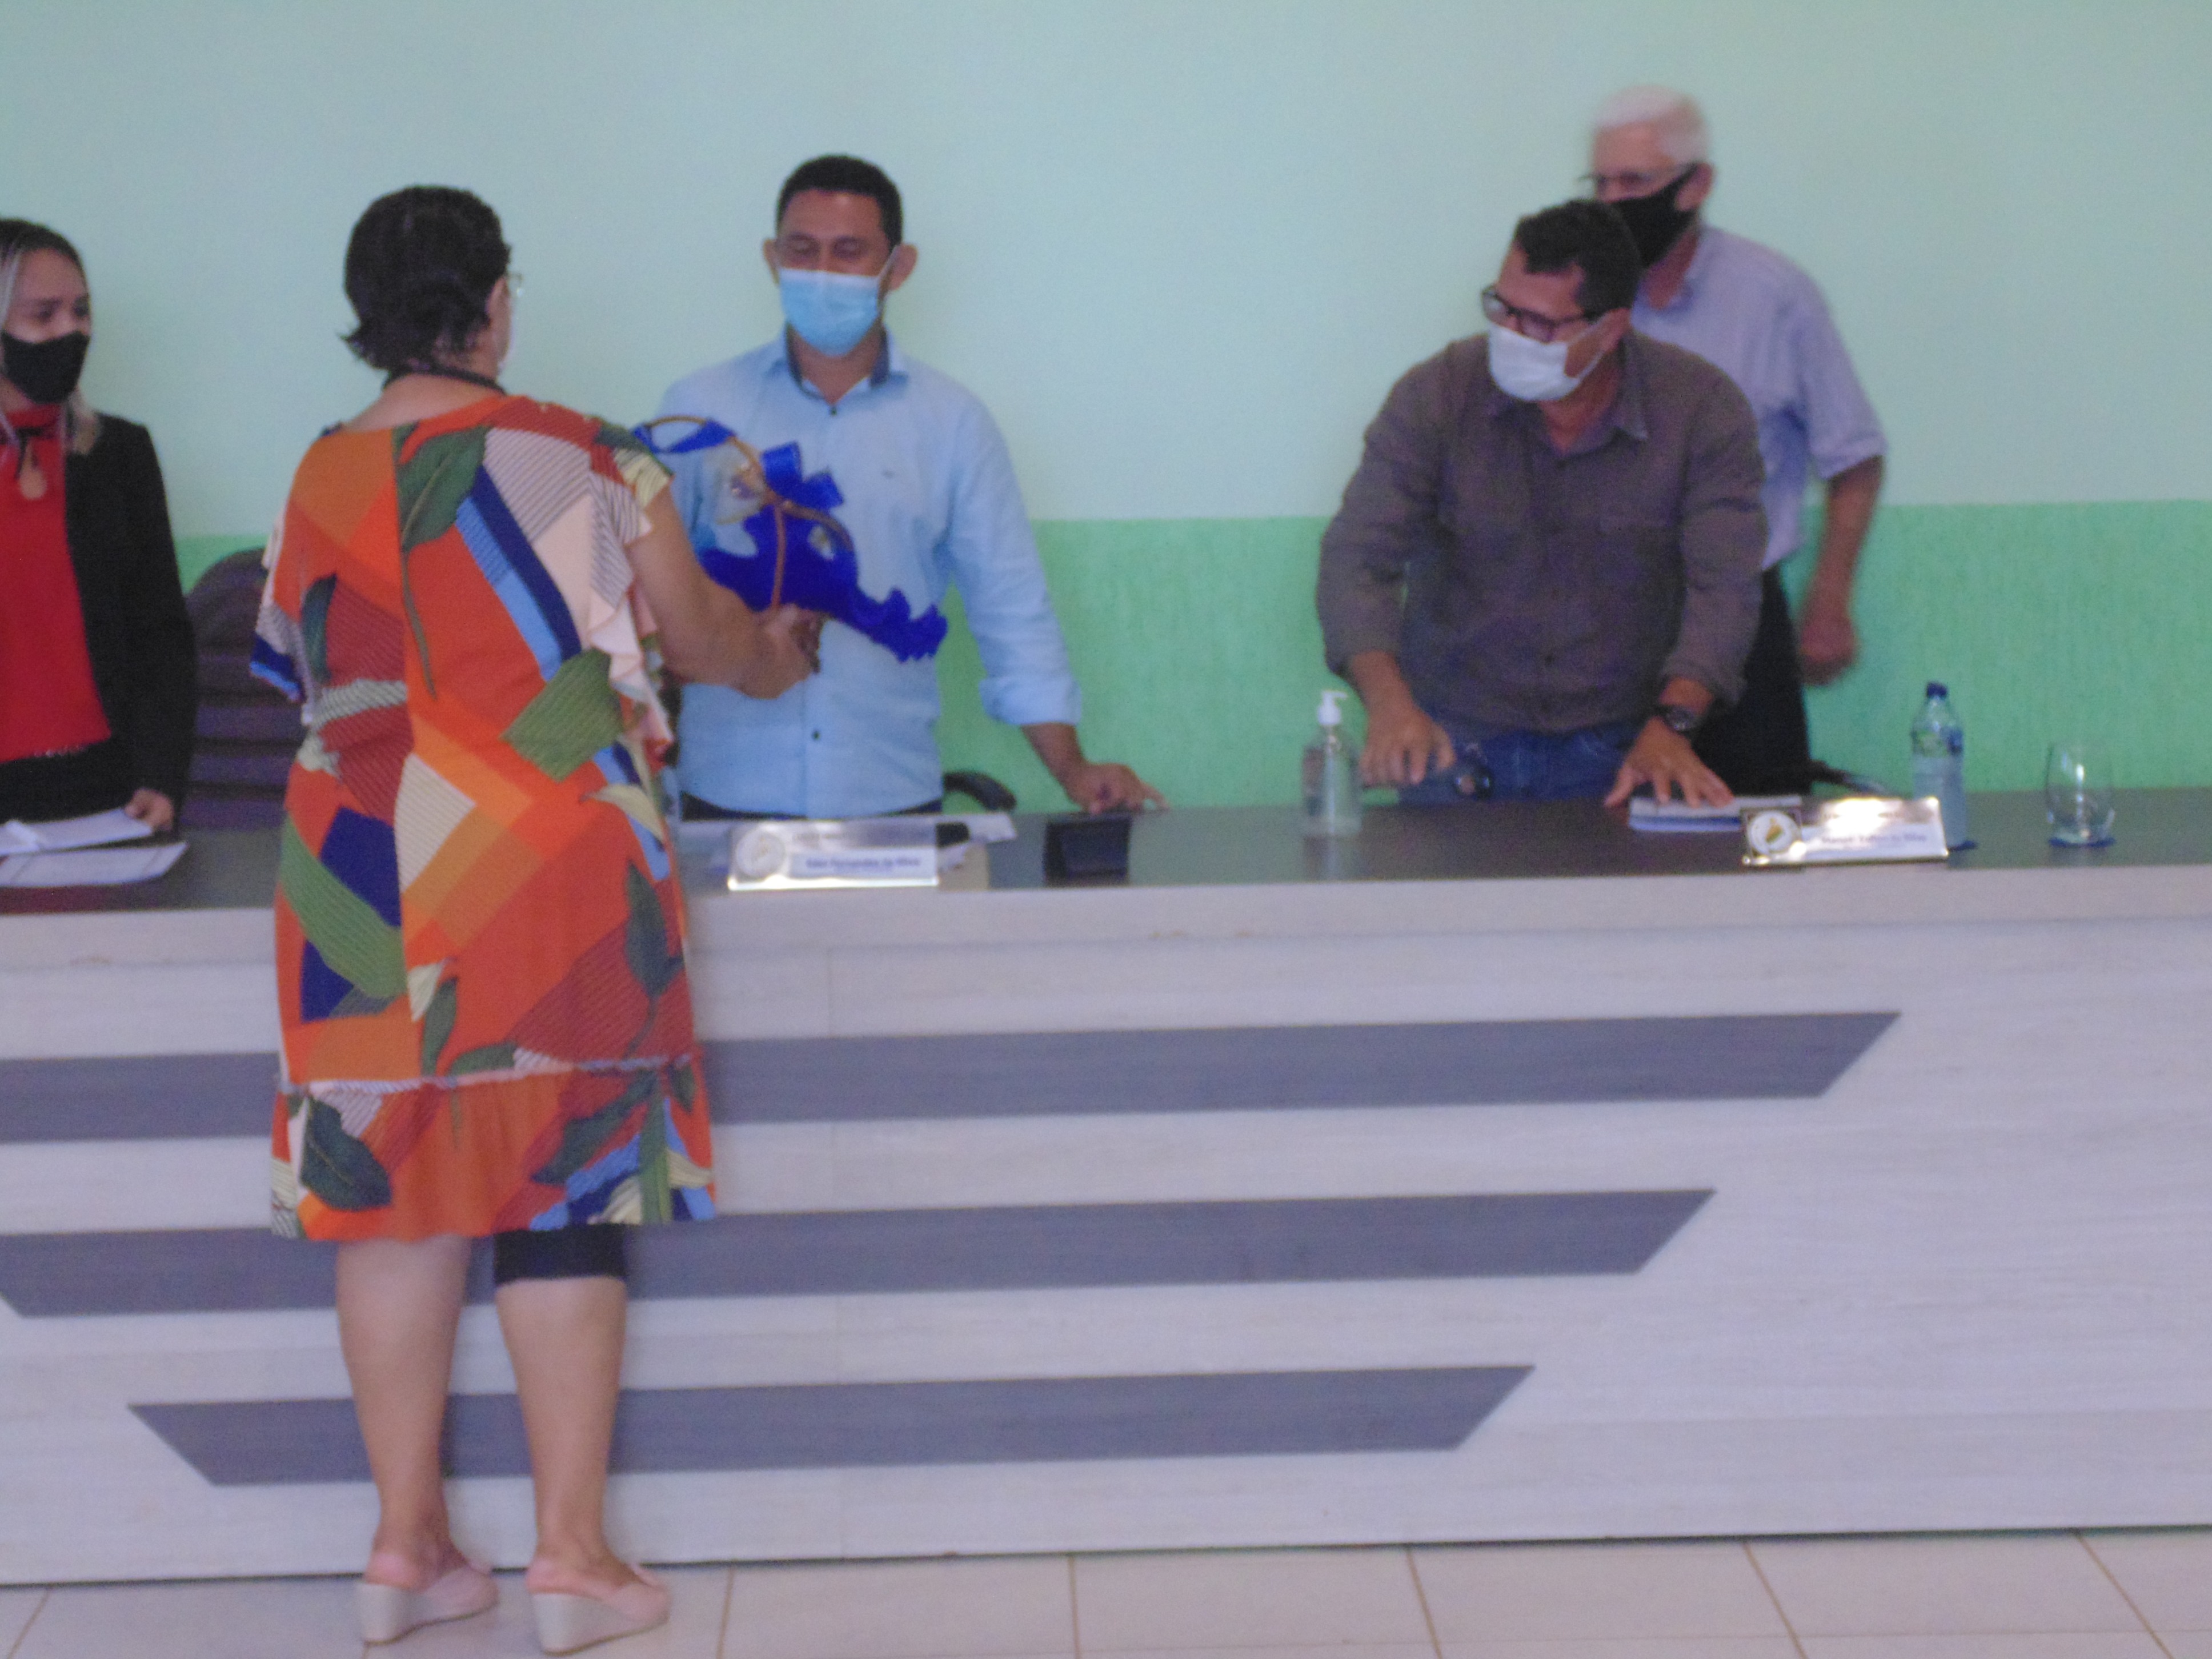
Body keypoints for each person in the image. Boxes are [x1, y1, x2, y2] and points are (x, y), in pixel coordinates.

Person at [253, 187, 815, 1654]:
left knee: (387, 1187)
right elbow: (701, 638)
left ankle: (404, 1550)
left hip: (357, 865)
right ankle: (572, 1560)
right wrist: (770, 655)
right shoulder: (584, 452)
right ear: (495, 303)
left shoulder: (316, 472)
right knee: (565, 1183)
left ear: (367, 316)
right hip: (543, 856)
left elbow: (297, 665)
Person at [651, 154, 1162, 819]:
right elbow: (647, 603)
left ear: (898, 267)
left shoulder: (952, 424)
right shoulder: (697, 411)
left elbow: (1010, 607)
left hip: (889, 798)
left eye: (849, 251)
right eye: (801, 250)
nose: (822, 272)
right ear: (772, 260)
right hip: (724, 795)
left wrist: (1071, 767)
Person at [1317, 200, 1766, 808]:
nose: (1511, 335)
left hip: (1623, 745)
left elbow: (1725, 589)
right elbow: (1357, 558)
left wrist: (1673, 726)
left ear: (1610, 329)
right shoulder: (1438, 394)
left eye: (1540, 324)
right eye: (1502, 308)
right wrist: (1390, 706)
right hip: (1455, 739)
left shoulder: (1700, 410)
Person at [1588, 86, 1888, 793]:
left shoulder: (1772, 296)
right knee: (1602, 832)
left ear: (1695, 185)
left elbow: (1853, 457)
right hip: (1607, 623)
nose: (1611, 202)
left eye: (1632, 182)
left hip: (1742, 623)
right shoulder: (1580, 295)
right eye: (1599, 183)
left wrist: (1829, 597)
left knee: (1760, 827)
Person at [0, 220, 195, 829]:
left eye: (81, 311)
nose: (72, 331)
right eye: (43, 314)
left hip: (112, 787)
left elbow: (161, 632)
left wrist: (162, 774)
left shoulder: (119, 452)